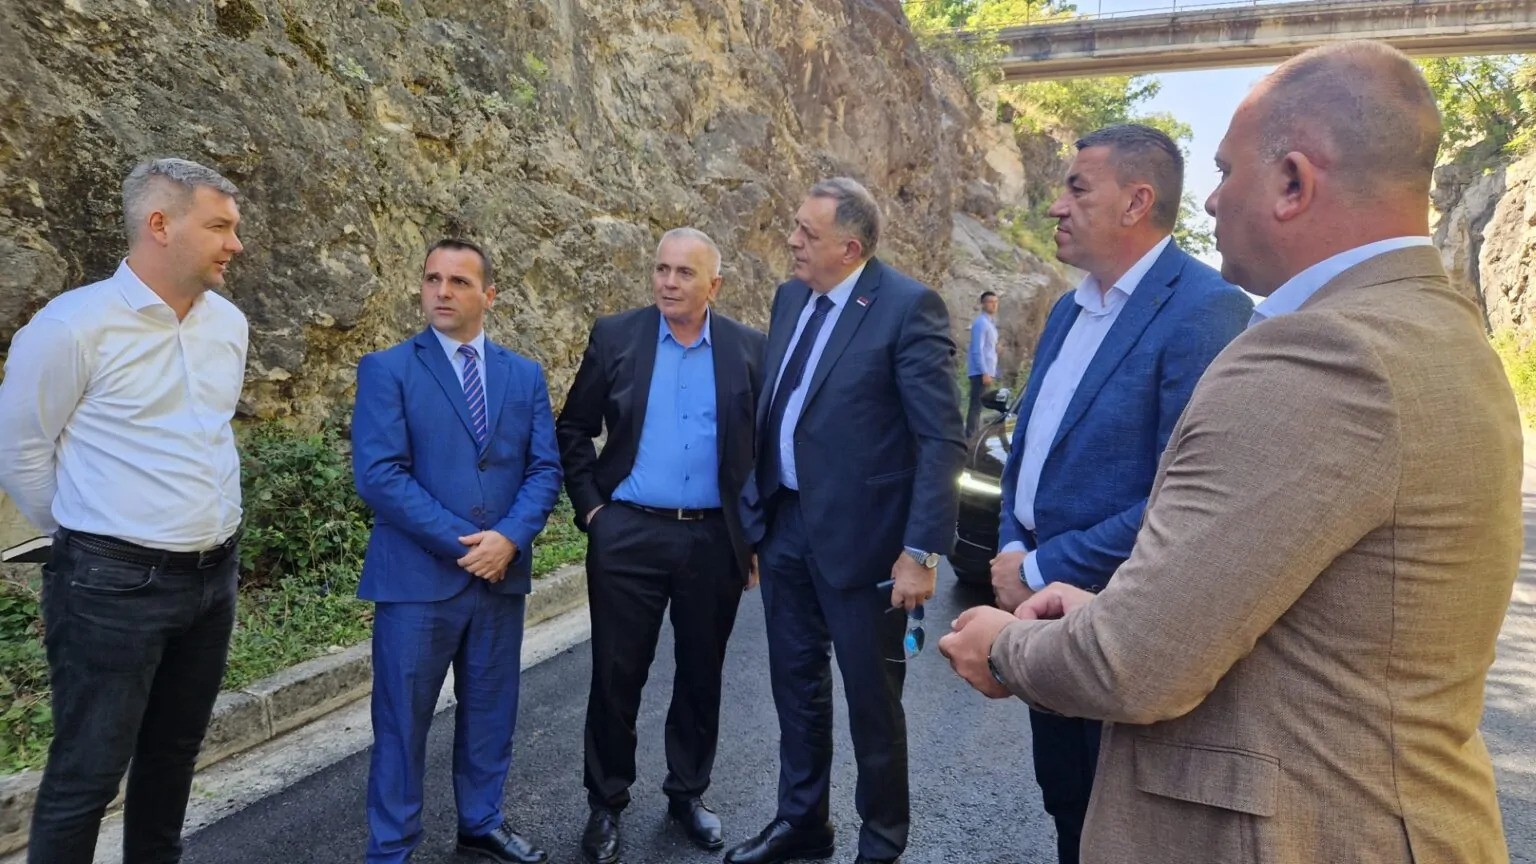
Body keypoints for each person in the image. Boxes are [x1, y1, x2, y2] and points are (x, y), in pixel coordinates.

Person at [940, 41, 1520, 864]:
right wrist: (1095, 603)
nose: (1209, 201)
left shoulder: (1321, 353)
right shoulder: (1435, 328)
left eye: (1224, 171)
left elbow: (1138, 663)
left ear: (1293, 182)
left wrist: (1002, 646)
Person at [989, 124, 1251, 864]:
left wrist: (1040, 567)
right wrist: (1011, 543)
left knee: (1116, 825)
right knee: (1065, 798)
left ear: (1137, 202)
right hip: (1040, 607)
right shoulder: (1069, 308)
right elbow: (1027, 448)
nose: (1057, 206)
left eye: (1078, 189)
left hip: (1117, 622)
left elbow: (1184, 497)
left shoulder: (1205, 309)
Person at [0, 158, 247, 864]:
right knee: (88, 772)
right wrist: (90, 540)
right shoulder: (72, 327)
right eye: (220, 227)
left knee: (173, 755)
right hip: (110, 588)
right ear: (160, 224)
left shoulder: (228, 324)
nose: (235, 244)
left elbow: (207, 437)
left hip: (213, 577)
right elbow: (20, 451)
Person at [726, 178, 965, 864]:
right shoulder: (789, 296)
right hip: (786, 525)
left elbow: (940, 439)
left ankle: (881, 844)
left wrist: (921, 551)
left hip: (868, 544)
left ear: (850, 248)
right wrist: (755, 520)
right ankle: (802, 823)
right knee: (795, 687)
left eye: (807, 233)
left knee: (872, 703)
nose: (792, 241)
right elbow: (780, 409)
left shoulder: (907, 308)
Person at [555, 227, 766, 864]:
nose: (668, 282)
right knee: (616, 673)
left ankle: (687, 793)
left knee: (702, 672)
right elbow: (574, 427)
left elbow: (764, 451)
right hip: (628, 532)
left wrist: (752, 534)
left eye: (684, 273)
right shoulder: (617, 336)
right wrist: (594, 511)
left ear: (714, 285)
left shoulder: (748, 350)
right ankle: (606, 802)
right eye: (661, 269)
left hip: (712, 538)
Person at [352, 239, 562, 864]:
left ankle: (481, 821)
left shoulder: (523, 376)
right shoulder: (388, 369)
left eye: (459, 282)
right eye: (432, 279)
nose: (442, 292)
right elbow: (380, 475)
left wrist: (510, 539)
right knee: (402, 722)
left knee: (491, 711)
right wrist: (469, 545)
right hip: (417, 580)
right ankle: (392, 848)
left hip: (500, 577)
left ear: (488, 295)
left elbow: (544, 469)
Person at [964, 291, 999, 438]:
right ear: (983, 304)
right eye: (990, 302)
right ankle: (970, 436)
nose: (994, 305)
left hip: (987, 371)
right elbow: (977, 350)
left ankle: (975, 435)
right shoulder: (981, 323)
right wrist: (984, 371)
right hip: (980, 372)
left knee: (980, 405)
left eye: (996, 302)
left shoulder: (990, 323)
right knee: (976, 405)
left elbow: (989, 349)